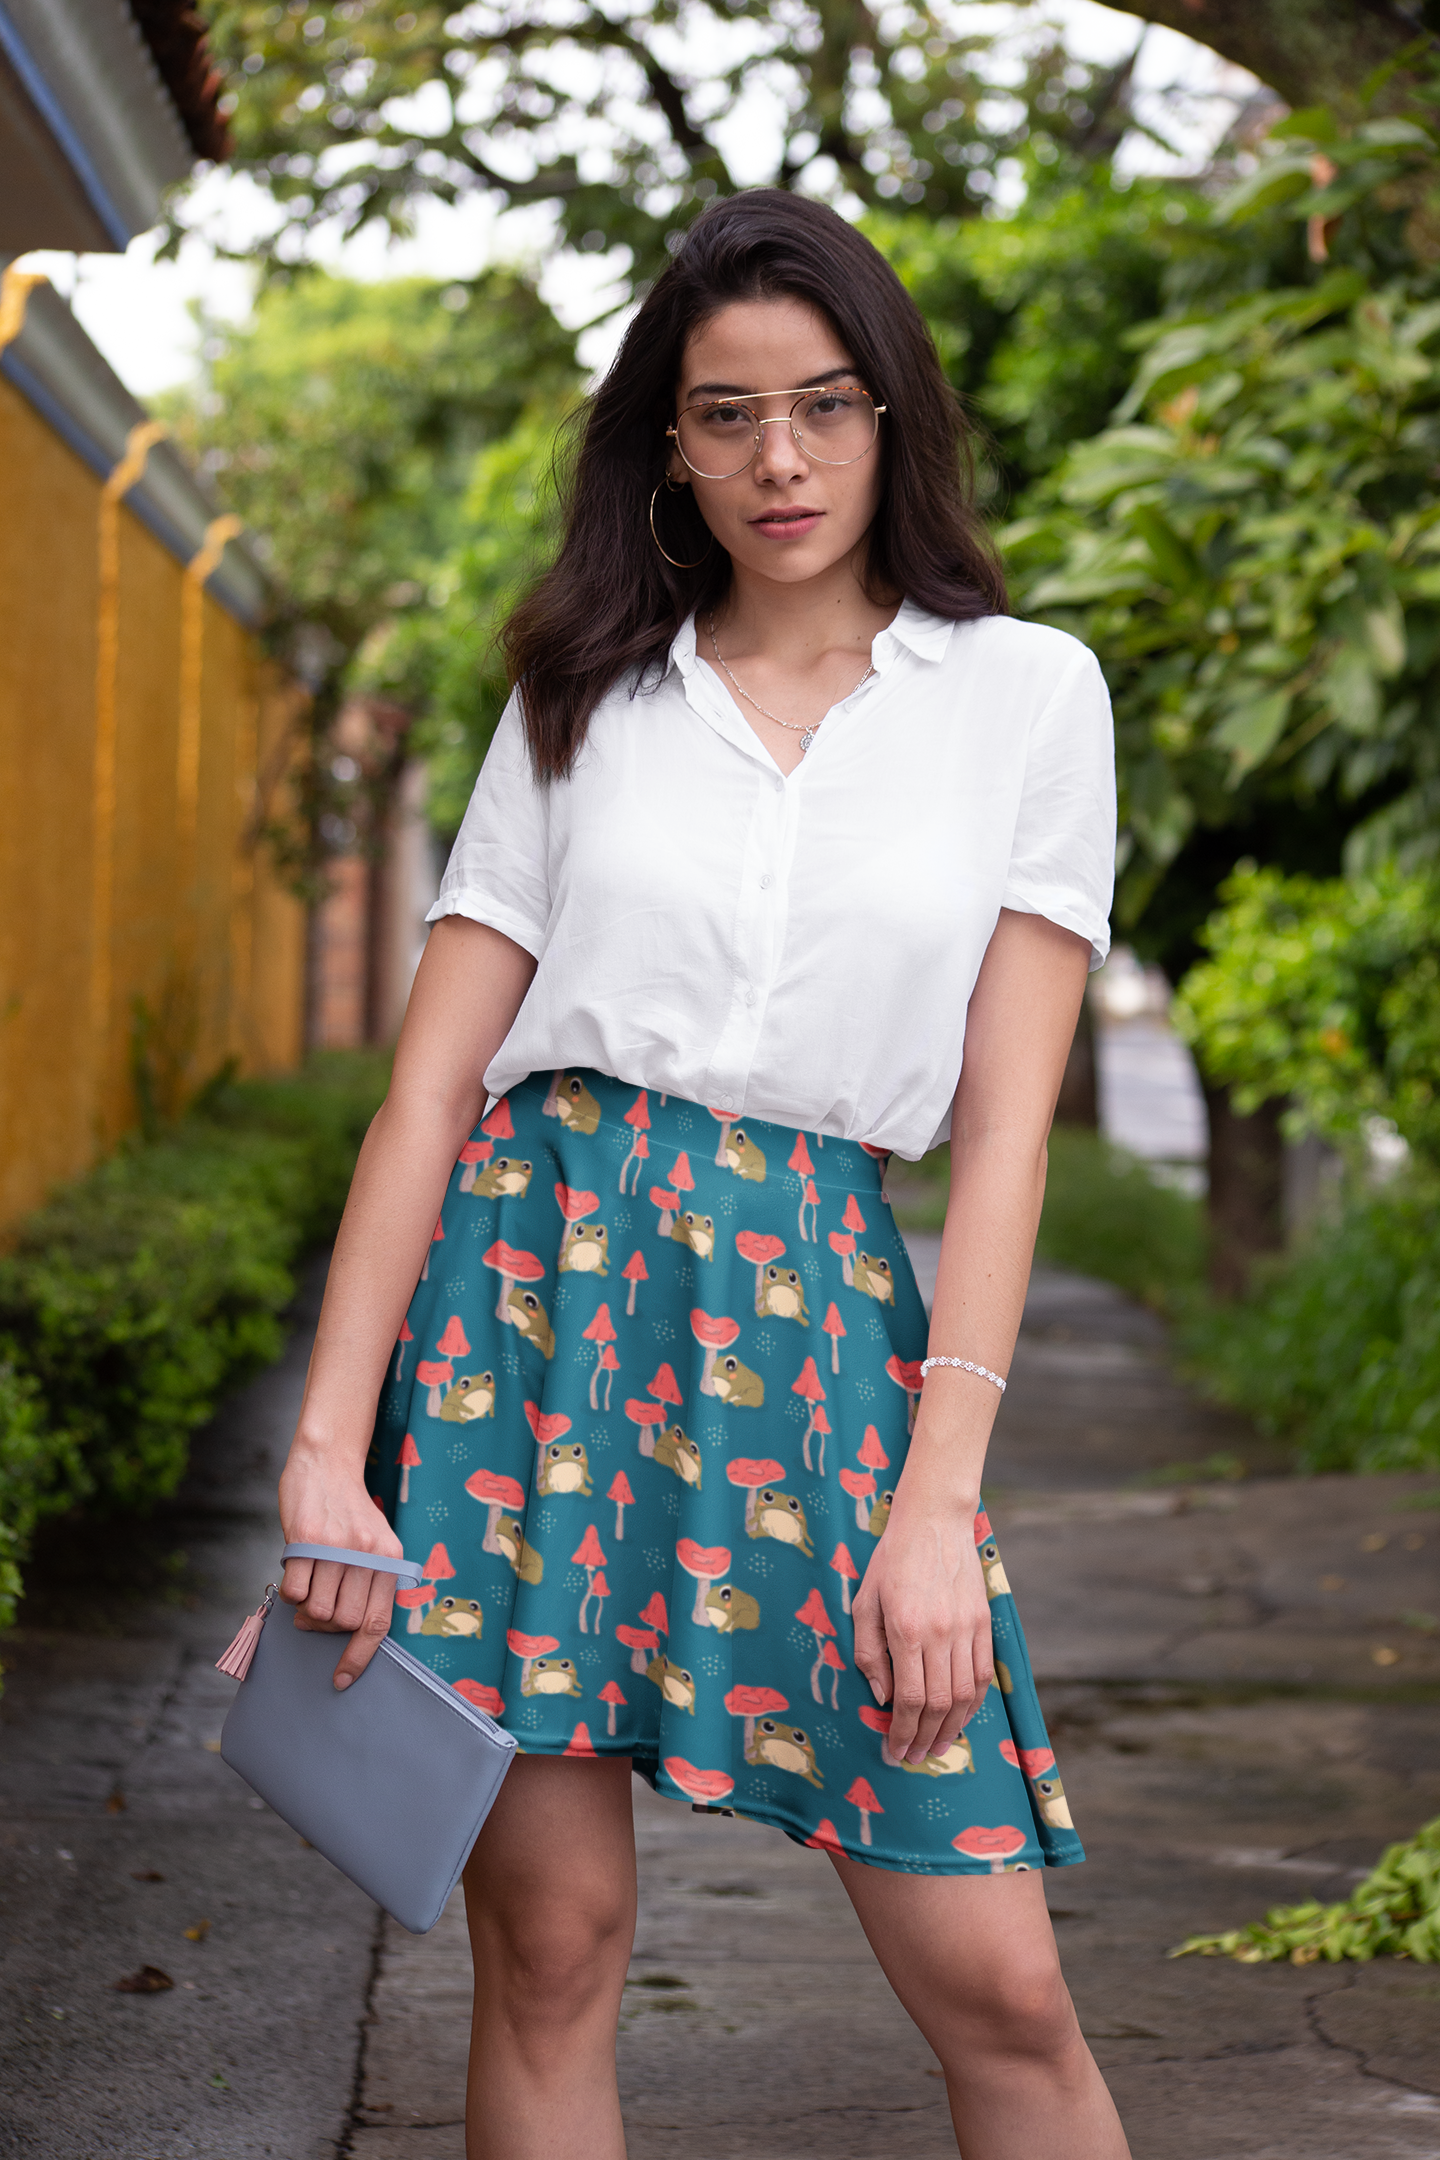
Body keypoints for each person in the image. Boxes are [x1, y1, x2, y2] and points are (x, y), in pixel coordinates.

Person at [276, 188, 1129, 2160]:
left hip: (825, 1332)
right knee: (557, 1947)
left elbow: (1006, 1137)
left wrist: (943, 1502)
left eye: (825, 405)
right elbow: (428, 1096)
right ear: (668, 437)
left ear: (893, 414)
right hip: (526, 1322)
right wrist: (330, 1449)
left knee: (999, 1986)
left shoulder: (1023, 698)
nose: (782, 458)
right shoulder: (586, 692)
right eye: (728, 413)